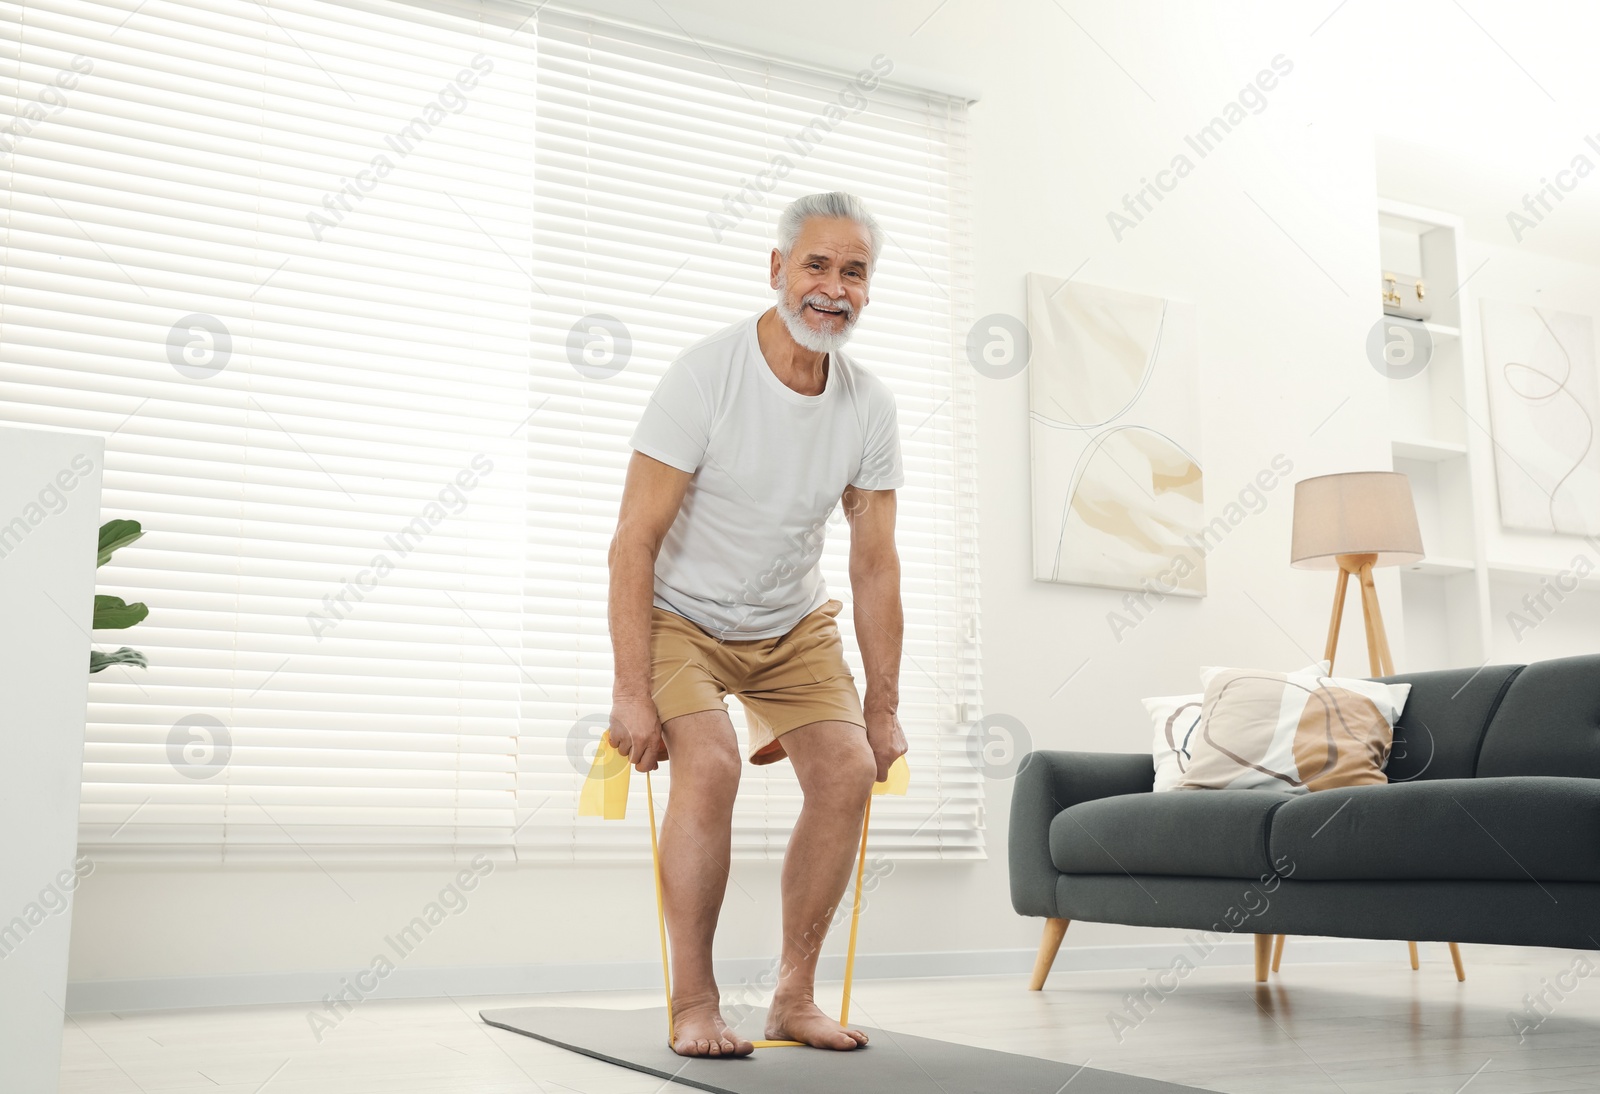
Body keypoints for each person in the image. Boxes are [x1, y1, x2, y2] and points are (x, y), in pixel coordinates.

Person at [606, 191, 908, 1058]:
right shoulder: (706, 376)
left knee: (849, 769)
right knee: (711, 762)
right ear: (778, 270)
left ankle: (792, 996)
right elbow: (634, 541)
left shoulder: (868, 406)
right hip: (682, 617)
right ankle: (694, 1004)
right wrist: (632, 691)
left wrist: (881, 708)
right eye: (817, 265)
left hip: (790, 624)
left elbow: (876, 564)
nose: (834, 288)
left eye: (855, 272)